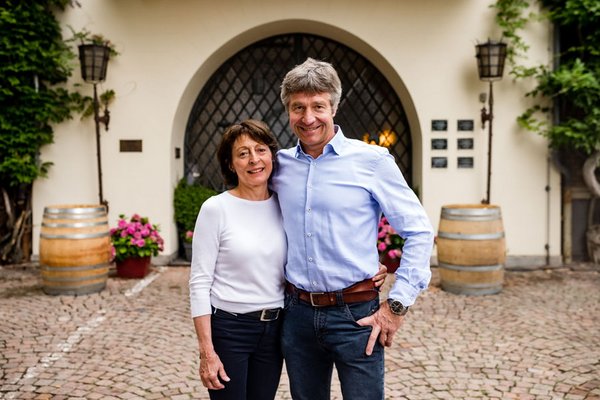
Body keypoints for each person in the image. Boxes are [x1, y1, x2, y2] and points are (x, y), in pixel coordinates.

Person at [271, 58, 435, 400]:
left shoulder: (372, 161)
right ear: (288, 110)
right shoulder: (278, 165)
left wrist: (397, 306)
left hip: (357, 315)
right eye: (298, 107)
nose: (308, 117)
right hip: (297, 315)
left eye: (318, 106)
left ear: (334, 107)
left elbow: (419, 231)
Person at [188, 119, 388, 400]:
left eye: (260, 150)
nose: (253, 160)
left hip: (275, 327)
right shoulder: (216, 209)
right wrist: (207, 351)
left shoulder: (283, 202)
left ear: (272, 156)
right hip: (230, 329)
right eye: (243, 153)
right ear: (231, 164)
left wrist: (369, 266)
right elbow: (199, 283)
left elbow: (315, 241)